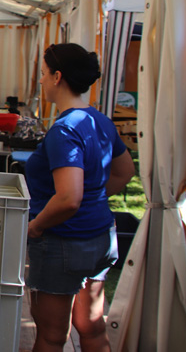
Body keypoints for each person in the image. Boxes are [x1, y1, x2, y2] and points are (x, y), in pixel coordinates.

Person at [26, 43, 135, 352]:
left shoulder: (65, 129)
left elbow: (69, 198)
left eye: (44, 73)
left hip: (63, 241)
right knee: (92, 326)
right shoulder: (99, 120)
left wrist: (36, 226)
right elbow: (125, 172)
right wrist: (93, 199)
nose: (41, 80)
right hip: (101, 237)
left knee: (51, 335)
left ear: (57, 76)